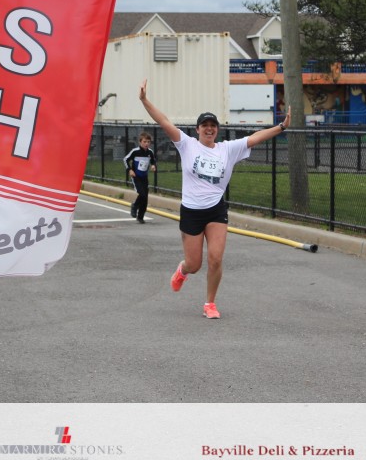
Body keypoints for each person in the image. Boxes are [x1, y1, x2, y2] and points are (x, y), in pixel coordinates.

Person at [139, 78, 291, 319]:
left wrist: (281, 127)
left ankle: (210, 303)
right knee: (194, 264)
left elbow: (255, 137)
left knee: (216, 259)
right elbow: (163, 121)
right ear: (198, 129)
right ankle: (182, 270)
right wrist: (144, 100)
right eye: (205, 125)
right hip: (191, 211)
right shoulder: (186, 144)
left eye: (213, 126)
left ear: (217, 130)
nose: (209, 129)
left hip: (215, 210)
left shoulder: (227, 149)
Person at [123, 131, 157, 224]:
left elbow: (153, 160)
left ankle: (140, 216)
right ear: (140, 142)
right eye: (144, 142)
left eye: (148, 142)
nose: (146, 144)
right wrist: (130, 170)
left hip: (144, 177)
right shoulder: (135, 151)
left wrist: (153, 165)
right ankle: (134, 205)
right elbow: (125, 159)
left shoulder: (150, 152)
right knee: (142, 194)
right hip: (136, 176)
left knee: (145, 198)